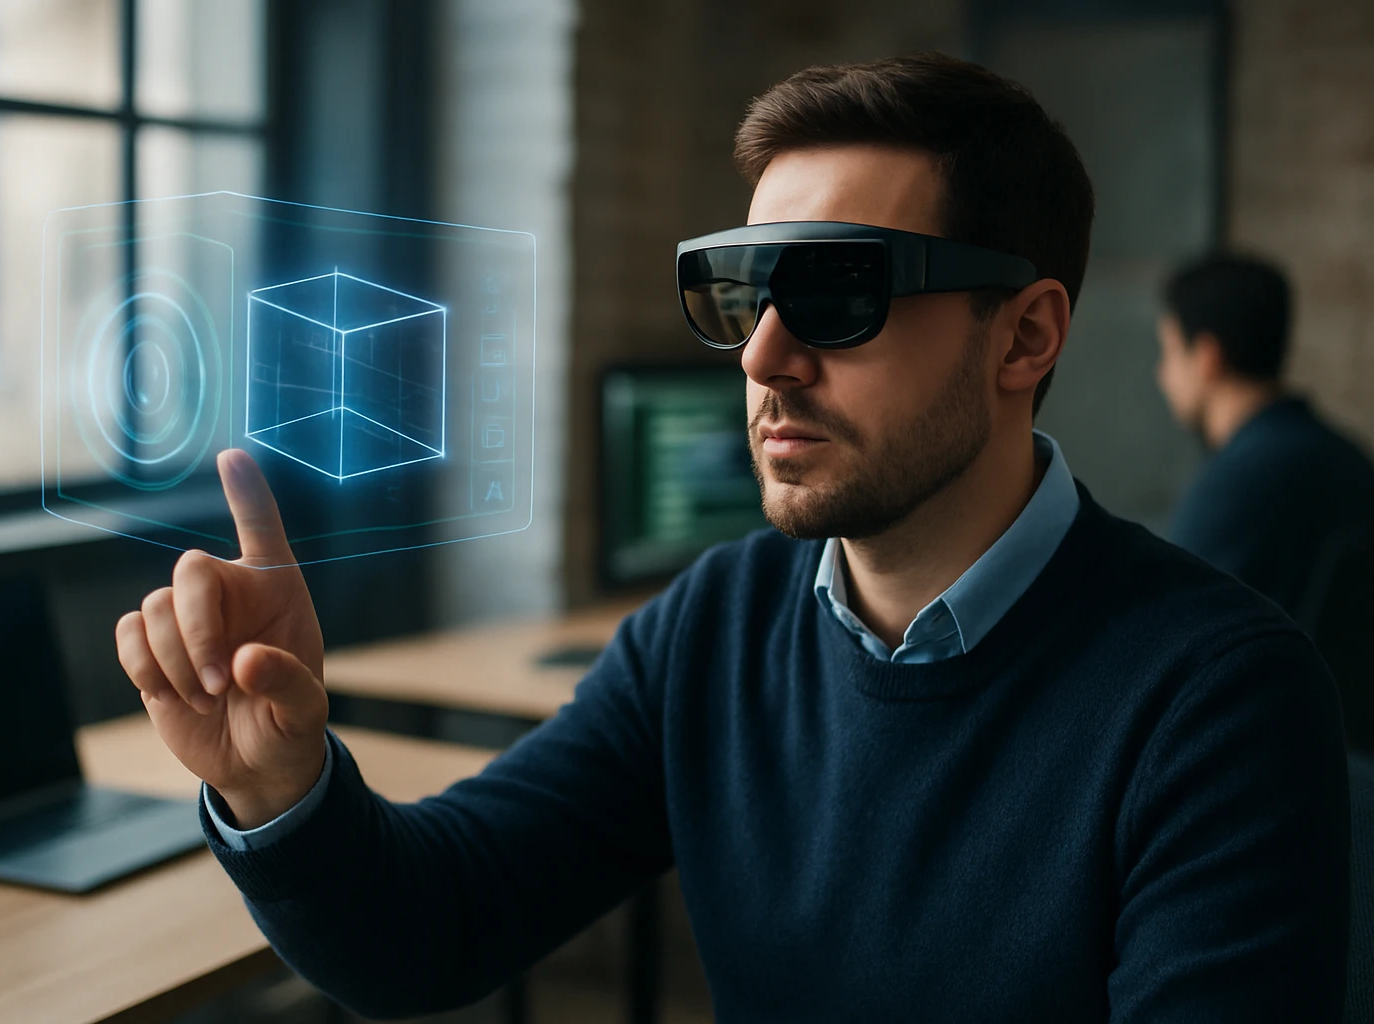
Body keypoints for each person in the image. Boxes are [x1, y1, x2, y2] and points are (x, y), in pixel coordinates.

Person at [117, 54, 1349, 1022]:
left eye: (838, 292)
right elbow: (435, 925)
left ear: (1024, 338)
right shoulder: (713, 626)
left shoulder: (1217, 695)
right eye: (745, 291)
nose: (760, 354)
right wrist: (277, 784)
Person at [1157, 253, 1374, 621]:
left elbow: (1165, 614)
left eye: (1169, 352)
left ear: (1208, 357)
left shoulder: (1239, 478)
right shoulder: (1348, 458)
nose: (1161, 374)